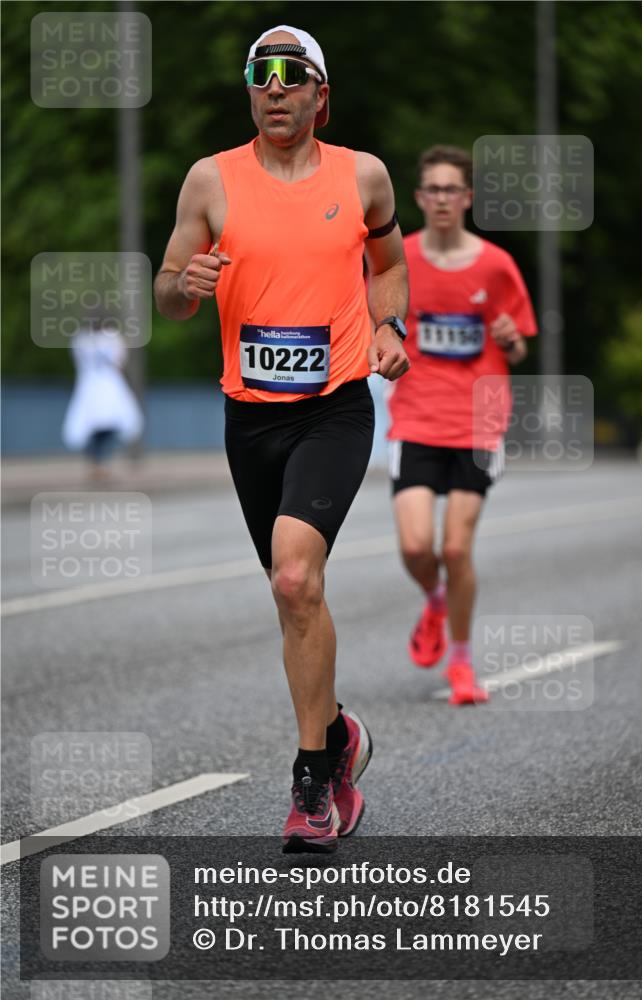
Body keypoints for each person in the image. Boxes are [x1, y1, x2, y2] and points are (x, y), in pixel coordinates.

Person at [154, 25, 409, 852]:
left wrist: (389, 326)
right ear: (250, 92)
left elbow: (388, 266)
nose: (275, 88)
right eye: (261, 76)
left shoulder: (362, 176)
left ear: (319, 95)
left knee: (297, 577)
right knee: (287, 589)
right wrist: (180, 286)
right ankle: (337, 733)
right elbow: (168, 291)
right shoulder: (210, 180)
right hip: (249, 415)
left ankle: (311, 783)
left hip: (333, 405)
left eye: (291, 76)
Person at [386, 145, 537, 705]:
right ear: (420, 198)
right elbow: (377, 322)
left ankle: (463, 664)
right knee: (416, 545)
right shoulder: (398, 260)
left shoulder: (496, 264)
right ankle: (434, 599)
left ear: (467, 197)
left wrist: (509, 340)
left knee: (456, 549)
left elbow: (519, 346)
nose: (443, 199)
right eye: (433, 189)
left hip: (479, 420)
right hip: (417, 415)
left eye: (453, 189)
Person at [62, 326, 143, 481]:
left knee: (105, 426)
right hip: (99, 385)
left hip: (98, 385)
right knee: (95, 427)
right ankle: (97, 462)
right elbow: (119, 361)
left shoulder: (86, 338)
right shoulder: (95, 338)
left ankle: (98, 462)